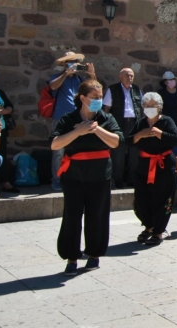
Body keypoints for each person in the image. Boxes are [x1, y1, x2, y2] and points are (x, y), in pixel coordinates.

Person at [50, 80, 122, 275]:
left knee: (97, 216)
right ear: (82, 98)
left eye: (100, 98)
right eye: (95, 98)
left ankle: (94, 254)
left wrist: (96, 129)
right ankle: (71, 257)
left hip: (99, 175)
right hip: (74, 175)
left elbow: (116, 141)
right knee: (72, 217)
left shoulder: (106, 118)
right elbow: (55, 144)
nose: (99, 101)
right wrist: (78, 131)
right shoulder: (68, 119)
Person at [129, 92, 177, 246]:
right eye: (147, 106)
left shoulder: (167, 121)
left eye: (153, 106)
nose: (150, 108)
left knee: (162, 199)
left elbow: (176, 139)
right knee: (141, 198)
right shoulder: (141, 123)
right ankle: (148, 226)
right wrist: (140, 135)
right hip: (144, 165)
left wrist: (160, 134)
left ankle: (158, 231)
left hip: (164, 166)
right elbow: (128, 141)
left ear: (159, 107)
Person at [49, 51, 96, 191]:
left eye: (76, 61)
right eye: (71, 61)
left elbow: (94, 89)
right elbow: (52, 86)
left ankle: (74, 178)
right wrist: (66, 73)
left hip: (77, 119)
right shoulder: (57, 77)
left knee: (78, 149)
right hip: (60, 119)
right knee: (58, 151)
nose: (74, 64)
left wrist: (91, 74)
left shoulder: (79, 80)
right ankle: (56, 179)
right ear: (64, 64)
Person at [103, 68, 142, 189]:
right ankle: (118, 180)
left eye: (131, 75)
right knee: (118, 152)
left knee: (134, 152)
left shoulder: (136, 89)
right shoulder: (112, 89)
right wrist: (107, 125)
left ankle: (132, 179)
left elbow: (143, 107)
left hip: (134, 124)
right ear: (120, 77)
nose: (129, 77)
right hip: (118, 124)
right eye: (127, 75)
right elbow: (106, 109)